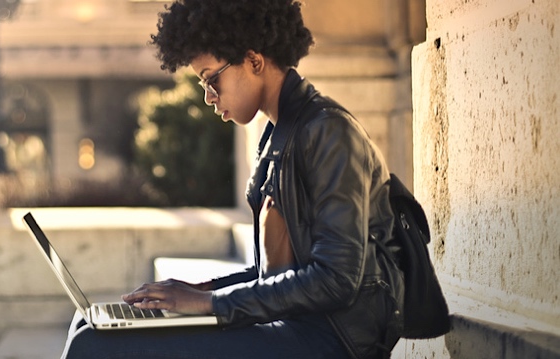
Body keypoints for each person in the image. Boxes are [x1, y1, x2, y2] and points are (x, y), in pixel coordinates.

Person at [62, 0, 403, 358]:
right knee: (87, 323)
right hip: (295, 325)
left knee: (93, 344)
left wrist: (210, 302)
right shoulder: (280, 133)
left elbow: (337, 279)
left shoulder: (328, 131)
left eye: (212, 79)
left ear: (254, 61)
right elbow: (274, 271)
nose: (209, 97)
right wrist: (198, 289)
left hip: (332, 340)